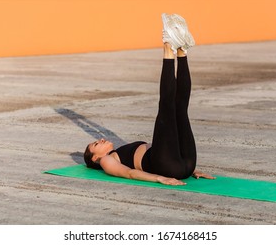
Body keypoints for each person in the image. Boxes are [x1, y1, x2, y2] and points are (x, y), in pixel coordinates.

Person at [84, 13, 215, 186]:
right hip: (167, 167)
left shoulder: (117, 153)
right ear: (95, 158)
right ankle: (169, 46)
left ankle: (182, 50)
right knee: (168, 109)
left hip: (184, 165)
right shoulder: (106, 161)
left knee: (180, 108)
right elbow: (130, 173)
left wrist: (191, 171)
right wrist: (159, 178)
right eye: (95, 144)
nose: (100, 139)